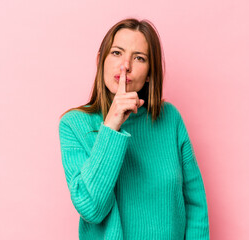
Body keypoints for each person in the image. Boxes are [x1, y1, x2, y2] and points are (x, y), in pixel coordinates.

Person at [58, 18, 210, 240]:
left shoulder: (170, 119)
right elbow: (91, 208)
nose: (125, 65)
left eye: (139, 58)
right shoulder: (73, 125)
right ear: (101, 60)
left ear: (149, 73)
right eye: (117, 53)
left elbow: (196, 206)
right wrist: (111, 125)